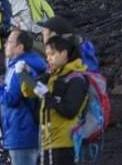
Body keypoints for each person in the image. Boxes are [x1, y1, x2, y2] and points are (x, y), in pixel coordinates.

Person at [0, 30, 46, 165]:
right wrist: (1, 84)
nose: (5, 44)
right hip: (22, 132)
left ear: (20, 47)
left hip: (21, 133)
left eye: (10, 41)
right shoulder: (21, 65)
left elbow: (10, 99)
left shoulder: (20, 67)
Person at [24, 36, 88, 165]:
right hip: (47, 142)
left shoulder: (76, 79)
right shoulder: (51, 76)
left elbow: (70, 110)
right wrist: (26, 75)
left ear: (64, 53)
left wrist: (48, 96)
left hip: (64, 144)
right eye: (47, 54)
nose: (48, 58)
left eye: (52, 54)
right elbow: (28, 93)